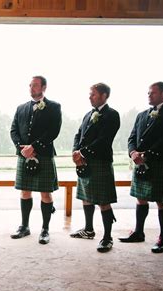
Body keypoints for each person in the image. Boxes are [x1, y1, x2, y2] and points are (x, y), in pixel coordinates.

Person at [119, 82, 163, 254]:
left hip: (160, 163)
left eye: (153, 93)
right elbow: (132, 137)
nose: (149, 95)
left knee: (160, 200)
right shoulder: (142, 115)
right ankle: (138, 232)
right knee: (141, 198)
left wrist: (147, 154)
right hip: (140, 162)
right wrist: (132, 152)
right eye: (148, 93)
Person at [10, 76, 62, 244]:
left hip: (44, 154)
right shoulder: (20, 108)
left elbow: (53, 131)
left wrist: (34, 147)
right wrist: (21, 148)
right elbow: (13, 130)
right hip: (24, 155)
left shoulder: (54, 107)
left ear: (44, 87)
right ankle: (24, 226)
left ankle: (45, 229)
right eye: (30, 85)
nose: (31, 88)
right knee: (25, 191)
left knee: (45, 193)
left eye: (35, 85)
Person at [70, 83, 120, 253]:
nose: (90, 97)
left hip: (100, 161)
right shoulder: (88, 114)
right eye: (90, 94)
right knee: (87, 197)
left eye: (93, 94)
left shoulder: (112, 115)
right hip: (84, 161)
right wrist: (75, 151)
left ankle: (107, 238)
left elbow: (104, 139)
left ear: (104, 95)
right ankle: (88, 229)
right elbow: (78, 134)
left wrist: (82, 152)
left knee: (103, 201)